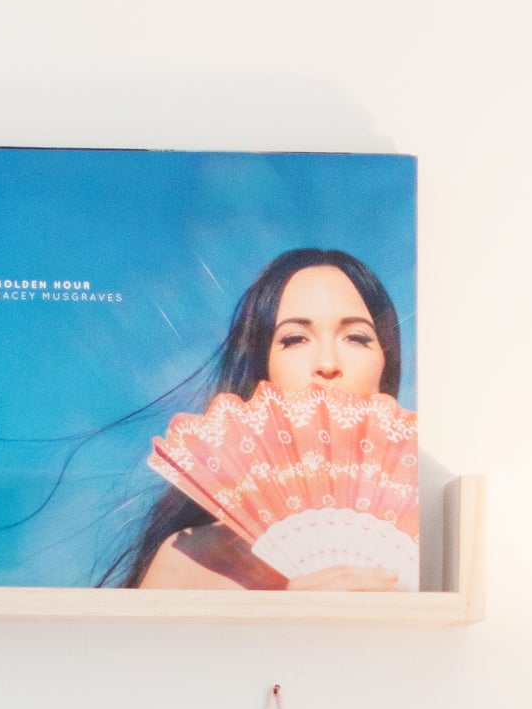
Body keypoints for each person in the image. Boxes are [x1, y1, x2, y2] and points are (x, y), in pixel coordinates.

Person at [102, 248, 409, 592]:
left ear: (385, 366)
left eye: (357, 337)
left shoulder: (428, 542)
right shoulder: (191, 563)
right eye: (295, 339)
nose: (327, 362)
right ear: (262, 370)